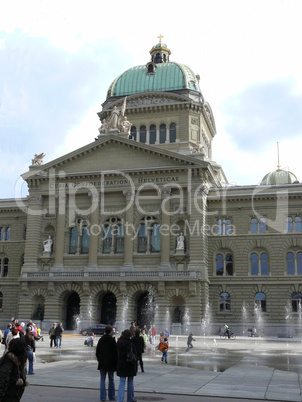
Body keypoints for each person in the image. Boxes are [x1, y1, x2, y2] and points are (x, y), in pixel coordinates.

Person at [96, 325, 118, 401]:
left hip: (102, 363)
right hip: (111, 363)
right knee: (111, 379)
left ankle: (102, 397)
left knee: (102, 379)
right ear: (111, 331)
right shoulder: (112, 340)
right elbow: (116, 353)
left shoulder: (101, 340)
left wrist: (99, 360)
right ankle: (111, 396)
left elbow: (97, 351)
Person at [116, 329, 137, 402]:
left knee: (122, 382)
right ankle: (130, 399)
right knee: (130, 381)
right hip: (130, 364)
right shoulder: (130, 343)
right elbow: (135, 354)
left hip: (121, 364)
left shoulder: (119, 343)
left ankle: (119, 400)